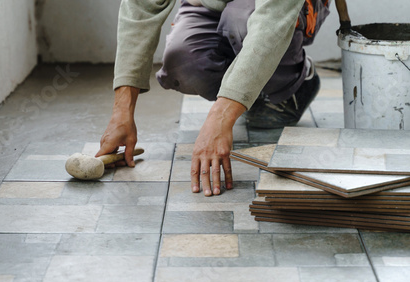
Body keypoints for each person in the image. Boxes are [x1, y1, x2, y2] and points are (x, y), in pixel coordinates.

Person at [96, 0, 330, 196]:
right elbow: (141, 6)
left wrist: (220, 118)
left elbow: (273, 20)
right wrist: (122, 112)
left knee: (241, 19)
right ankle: (245, 88)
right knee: (184, 62)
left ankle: (294, 83)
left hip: (278, 7)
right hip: (213, 4)